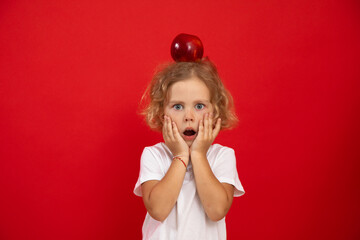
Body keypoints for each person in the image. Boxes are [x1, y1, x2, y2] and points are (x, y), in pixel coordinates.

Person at [133, 59, 245, 240]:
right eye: (178, 106)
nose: (189, 117)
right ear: (163, 114)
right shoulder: (154, 155)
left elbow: (216, 210)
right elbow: (158, 210)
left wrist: (199, 154)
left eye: (199, 106)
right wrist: (180, 156)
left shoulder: (222, 156)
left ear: (215, 112)